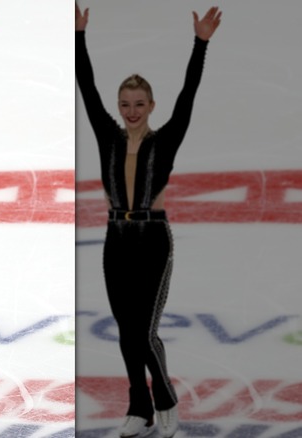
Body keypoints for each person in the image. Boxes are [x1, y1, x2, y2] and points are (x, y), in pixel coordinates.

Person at [75, 4, 221, 438]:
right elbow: (87, 87)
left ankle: (165, 399)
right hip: (116, 236)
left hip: (153, 238)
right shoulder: (109, 135)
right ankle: (139, 406)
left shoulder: (166, 140)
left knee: (145, 331)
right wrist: (79, 36)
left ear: (151, 105)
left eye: (139, 103)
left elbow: (188, 96)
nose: (131, 110)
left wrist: (201, 43)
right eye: (125, 104)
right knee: (126, 332)